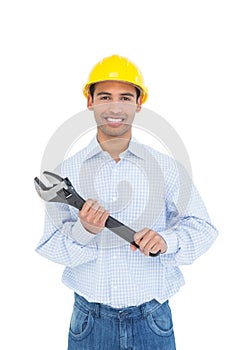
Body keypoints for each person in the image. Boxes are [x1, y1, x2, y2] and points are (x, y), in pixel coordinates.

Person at [36, 54, 218, 350]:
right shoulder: (67, 172)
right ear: (90, 102)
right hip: (89, 323)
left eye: (125, 97)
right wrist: (85, 232)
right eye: (105, 96)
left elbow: (203, 228)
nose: (115, 107)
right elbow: (51, 245)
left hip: (152, 320)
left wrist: (166, 241)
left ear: (138, 104)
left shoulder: (166, 168)